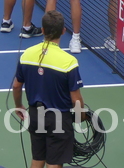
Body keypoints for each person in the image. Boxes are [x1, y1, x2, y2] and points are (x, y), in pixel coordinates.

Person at [12, 11, 86, 168]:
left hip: (35, 115)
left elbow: (17, 85)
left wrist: (18, 105)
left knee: (38, 157)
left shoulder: (27, 54)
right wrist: (80, 117)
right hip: (58, 118)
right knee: (54, 162)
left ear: (43, 30)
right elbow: (76, 99)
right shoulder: (69, 62)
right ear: (63, 31)